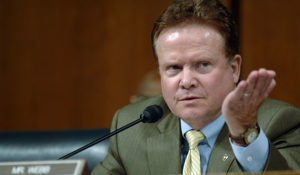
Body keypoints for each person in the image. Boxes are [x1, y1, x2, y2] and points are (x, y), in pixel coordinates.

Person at [92, 0, 300, 174]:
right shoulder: (133, 127)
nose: (186, 81)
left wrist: (244, 134)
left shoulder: (279, 123)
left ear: (234, 68)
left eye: (202, 65)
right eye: (174, 67)